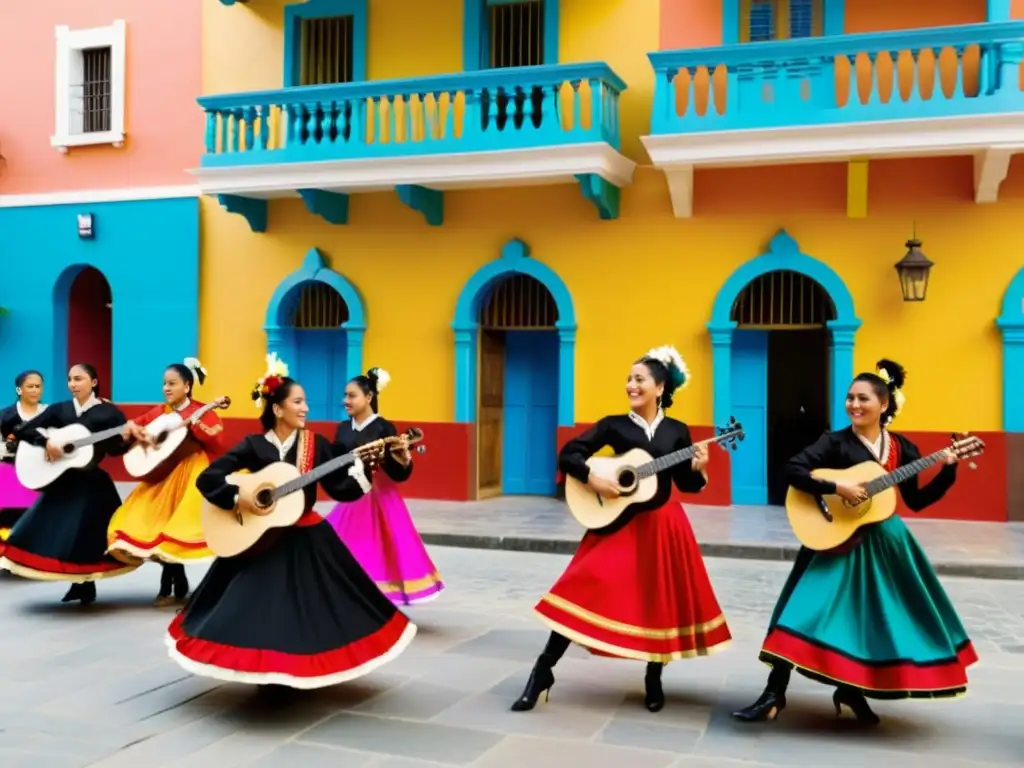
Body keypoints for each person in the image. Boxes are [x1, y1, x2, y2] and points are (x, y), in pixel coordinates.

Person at [732, 359, 976, 725]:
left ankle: (850, 690)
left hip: (885, 546)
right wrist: (836, 486)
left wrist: (949, 467)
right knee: (800, 613)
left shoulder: (901, 448)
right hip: (834, 541)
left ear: (884, 405)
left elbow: (919, 500)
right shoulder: (834, 441)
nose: (854, 405)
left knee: (871, 619)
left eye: (863, 399)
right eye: (850, 398)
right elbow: (794, 469)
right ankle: (773, 694)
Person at [166, 354, 416, 689]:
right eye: (298, 402)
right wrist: (240, 497)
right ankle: (261, 673)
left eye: (305, 403)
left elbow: (341, 489)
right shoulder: (254, 445)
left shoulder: (318, 445)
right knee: (249, 608)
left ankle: (297, 670)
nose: (305, 409)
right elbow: (209, 478)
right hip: (258, 540)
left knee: (312, 611)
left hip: (305, 539)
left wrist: (369, 471)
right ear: (277, 408)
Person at [510, 345, 731, 714]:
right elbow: (570, 454)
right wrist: (593, 479)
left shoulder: (678, 431)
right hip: (616, 522)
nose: (631, 385)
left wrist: (700, 469)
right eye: (629, 379)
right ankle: (542, 671)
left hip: (662, 525)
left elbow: (686, 485)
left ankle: (654, 677)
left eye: (639, 379)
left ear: (660, 388)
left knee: (659, 600)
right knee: (581, 587)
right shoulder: (615, 424)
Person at [0, 363, 140, 604]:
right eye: (70, 379)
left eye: (79, 379)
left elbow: (115, 450)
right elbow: (24, 430)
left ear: (93, 382)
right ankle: (79, 584)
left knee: (88, 535)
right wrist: (47, 443)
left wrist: (127, 440)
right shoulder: (60, 410)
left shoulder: (108, 414)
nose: (73, 384)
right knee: (47, 530)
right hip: (63, 480)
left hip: (92, 482)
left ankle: (85, 584)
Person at [107, 358, 224, 606]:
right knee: (152, 524)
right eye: (164, 384)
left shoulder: (202, 410)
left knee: (175, 528)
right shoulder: (160, 412)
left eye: (172, 383)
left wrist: (196, 424)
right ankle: (176, 580)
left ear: (188, 386)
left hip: (191, 471)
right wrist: (135, 431)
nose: (166, 388)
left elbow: (216, 440)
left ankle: (168, 585)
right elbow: (133, 425)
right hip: (163, 473)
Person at [325, 367, 443, 605]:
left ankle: (377, 600)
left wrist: (399, 458)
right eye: (345, 396)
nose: (345, 400)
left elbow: (398, 472)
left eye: (351, 395)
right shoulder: (342, 428)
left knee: (381, 550)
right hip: (351, 497)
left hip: (380, 498)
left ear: (368, 398)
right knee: (337, 546)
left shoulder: (383, 428)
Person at [0, 370, 46, 542]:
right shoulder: (5, 416)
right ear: (19, 390)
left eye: (38, 386)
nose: (35, 390)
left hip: (41, 473)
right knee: (9, 522)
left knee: (36, 520)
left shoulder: (50, 414)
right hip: (10, 472)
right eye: (30, 386)